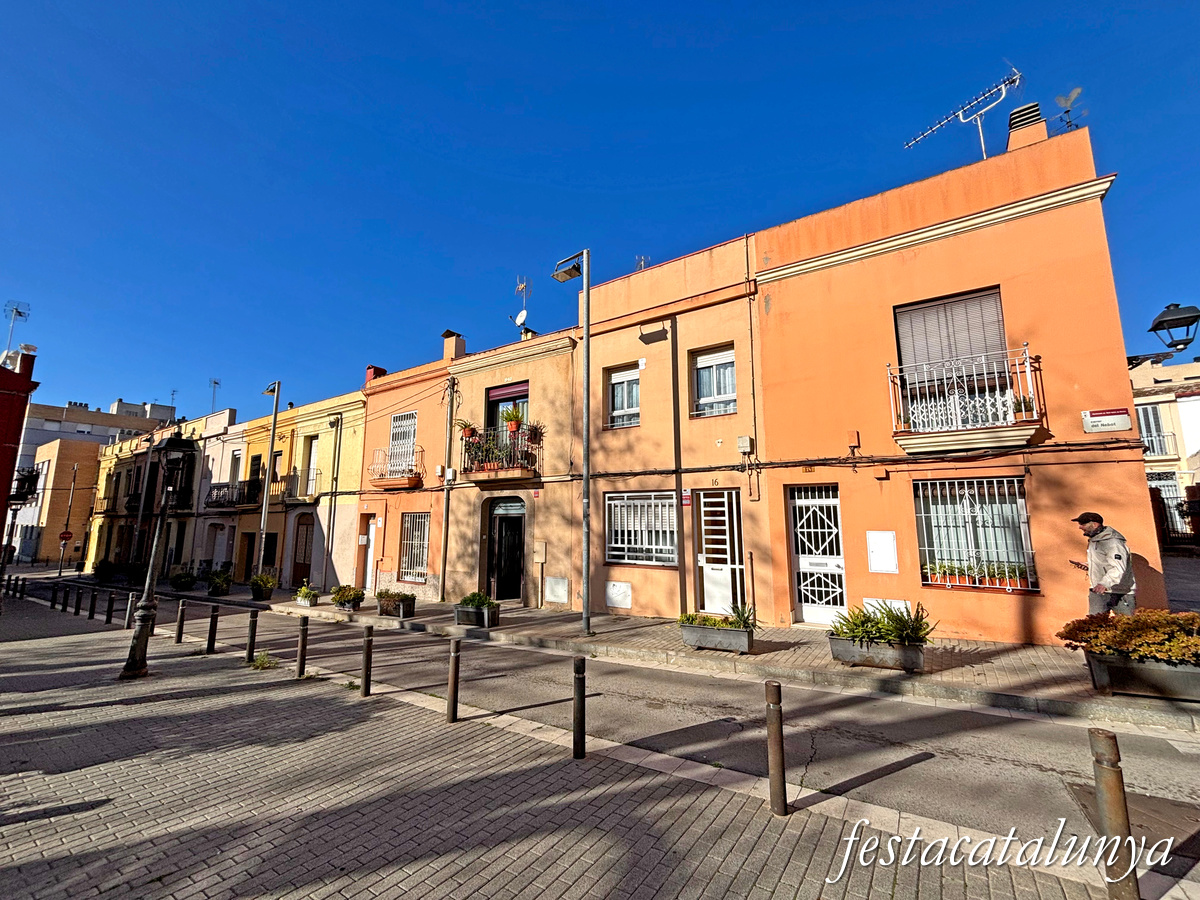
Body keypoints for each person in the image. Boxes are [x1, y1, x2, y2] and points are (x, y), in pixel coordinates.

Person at [1070, 512, 1136, 615]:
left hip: (1120, 592)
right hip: (1098, 591)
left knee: (1127, 627)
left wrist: (1104, 583)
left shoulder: (1113, 543)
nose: (1080, 527)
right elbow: (1104, 562)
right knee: (1094, 625)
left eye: (1083, 524)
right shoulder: (1095, 540)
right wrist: (1090, 566)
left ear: (1095, 524)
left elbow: (1118, 567)